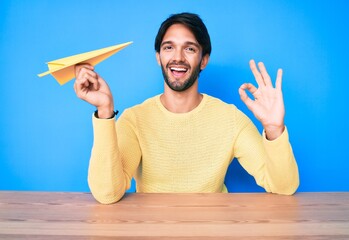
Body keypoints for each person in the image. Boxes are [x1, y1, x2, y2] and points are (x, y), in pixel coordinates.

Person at [74, 12, 299, 204]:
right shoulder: (135, 119)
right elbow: (107, 194)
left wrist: (274, 128)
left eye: (190, 49)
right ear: (158, 58)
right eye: (169, 47)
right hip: (152, 232)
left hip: (213, 232)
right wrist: (105, 111)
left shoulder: (230, 119)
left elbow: (284, 186)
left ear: (204, 60)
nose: (178, 58)